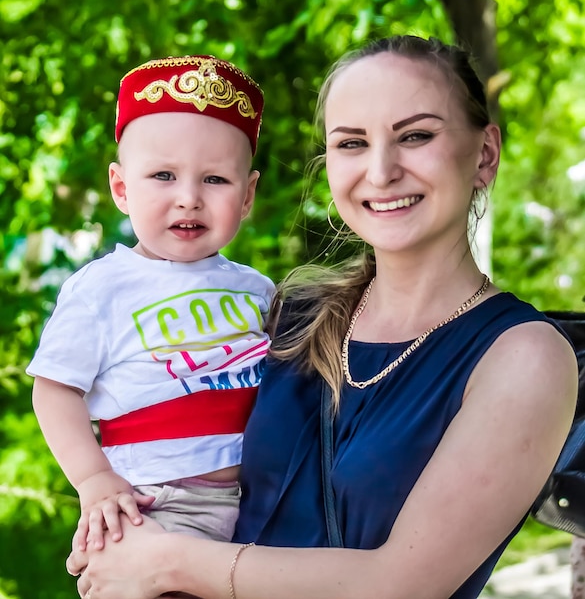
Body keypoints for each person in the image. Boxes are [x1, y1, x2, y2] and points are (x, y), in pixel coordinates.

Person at [67, 35, 578, 599]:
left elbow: (400, 585)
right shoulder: (288, 316)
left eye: (416, 136)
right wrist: (112, 508)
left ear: (484, 154)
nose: (381, 171)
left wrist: (166, 561)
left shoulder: (524, 356)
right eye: (352, 143)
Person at [27, 54, 275, 548]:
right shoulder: (103, 289)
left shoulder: (258, 291)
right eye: (163, 176)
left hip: (260, 497)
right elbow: (55, 390)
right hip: (152, 501)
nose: (188, 198)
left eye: (215, 179)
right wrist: (94, 479)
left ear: (247, 197)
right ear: (121, 188)